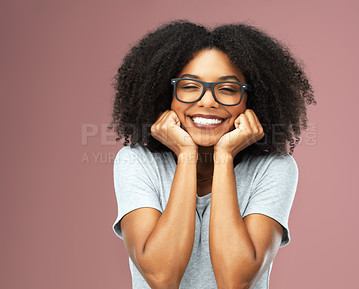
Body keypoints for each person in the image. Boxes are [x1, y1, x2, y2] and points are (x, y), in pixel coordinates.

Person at [109, 20, 316, 289]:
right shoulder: (137, 162)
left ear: (250, 102)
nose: (208, 101)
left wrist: (224, 156)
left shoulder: (274, 168)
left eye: (228, 89)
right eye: (189, 86)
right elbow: (162, 277)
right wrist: (186, 154)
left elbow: (234, 281)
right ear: (166, 95)